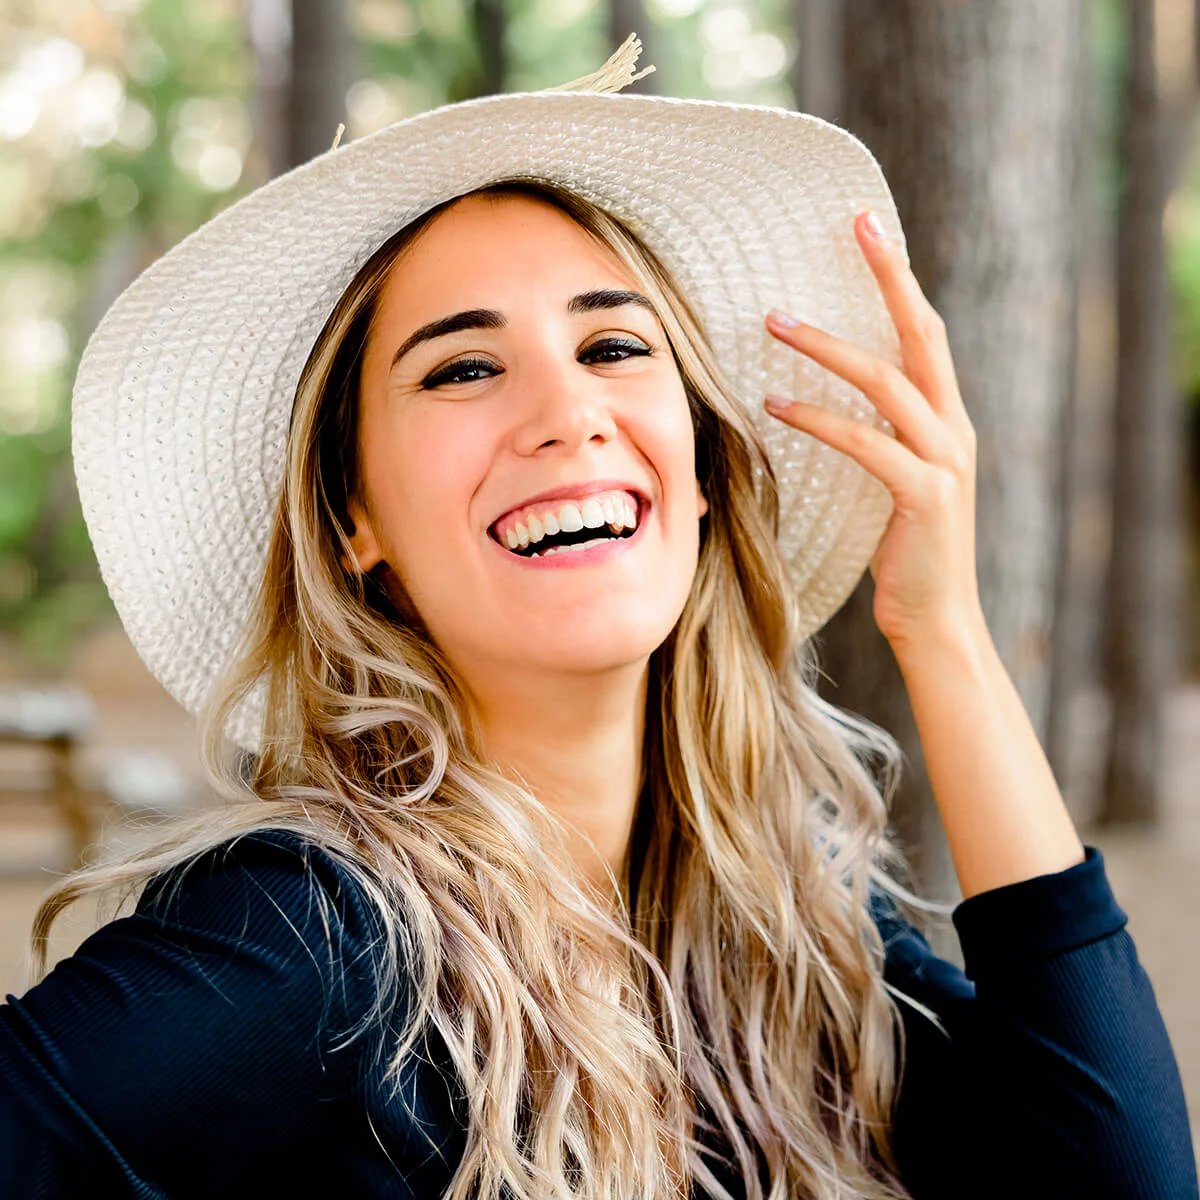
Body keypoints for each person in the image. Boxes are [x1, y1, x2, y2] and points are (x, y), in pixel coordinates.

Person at [1, 34, 1195, 1200]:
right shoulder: (314, 938)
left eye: (616, 344)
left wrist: (945, 633)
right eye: (463, 368)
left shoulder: (796, 908)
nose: (568, 411)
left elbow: (1119, 1173)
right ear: (354, 517)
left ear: (705, 465)